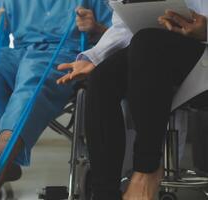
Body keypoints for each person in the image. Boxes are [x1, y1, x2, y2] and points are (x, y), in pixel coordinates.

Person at [0, 0, 112, 199]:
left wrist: (95, 28)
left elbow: (118, 35)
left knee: (33, 77)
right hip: (18, 53)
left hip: (63, 55)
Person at [57, 0, 208, 199]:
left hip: (197, 57)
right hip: (159, 54)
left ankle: (147, 171)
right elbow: (125, 26)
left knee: (148, 42)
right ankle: (104, 194)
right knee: (102, 77)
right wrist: (94, 58)